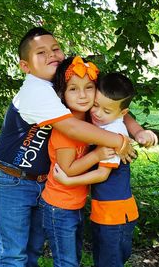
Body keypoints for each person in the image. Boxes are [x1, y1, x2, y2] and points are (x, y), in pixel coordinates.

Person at [0, 27, 157, 267]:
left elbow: (112, 106)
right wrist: (119, 141)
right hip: (12, 179)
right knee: (12, 255)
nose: (51, 55)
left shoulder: (68, 85)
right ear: (25, 66)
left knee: (32, 250)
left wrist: (137, 130)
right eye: (41, 52)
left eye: (55, 48)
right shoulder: (35, 90)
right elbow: (73, 129)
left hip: (46, 181)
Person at [53, 72, 143, 267]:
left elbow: (103, 174)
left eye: (106, 111)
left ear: (121, 113)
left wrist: (69, 181)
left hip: (116, 214)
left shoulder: (114, 132)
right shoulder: (102, 123)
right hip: (105, 211)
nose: (97, 113)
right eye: (95, 105)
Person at [40, 56, 113, 266]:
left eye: (88, 87)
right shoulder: (66, 129)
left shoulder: (90, 119)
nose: (82, 95)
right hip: (59, 206)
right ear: (62, 93)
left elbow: (118, 110)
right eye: (73, 89)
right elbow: (67, 171)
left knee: (74, 258)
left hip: (74, 203)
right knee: (66, 262)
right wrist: (97, 155)